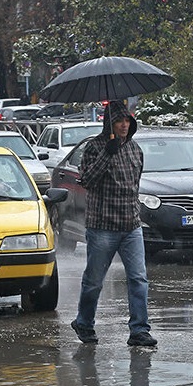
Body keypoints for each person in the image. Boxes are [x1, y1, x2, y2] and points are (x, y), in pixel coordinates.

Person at [70, 100, 156, 348]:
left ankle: (139, 329)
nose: (124, 125)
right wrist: (107, 153)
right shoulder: (94, 147)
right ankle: (84, 322)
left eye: (127, 120)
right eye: (119, 121)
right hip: (102, 227)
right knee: (94, 280)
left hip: (131, 226)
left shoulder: (134, 149)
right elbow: (87, 181)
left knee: (139, 279)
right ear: (109, 123)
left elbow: (135, 184)